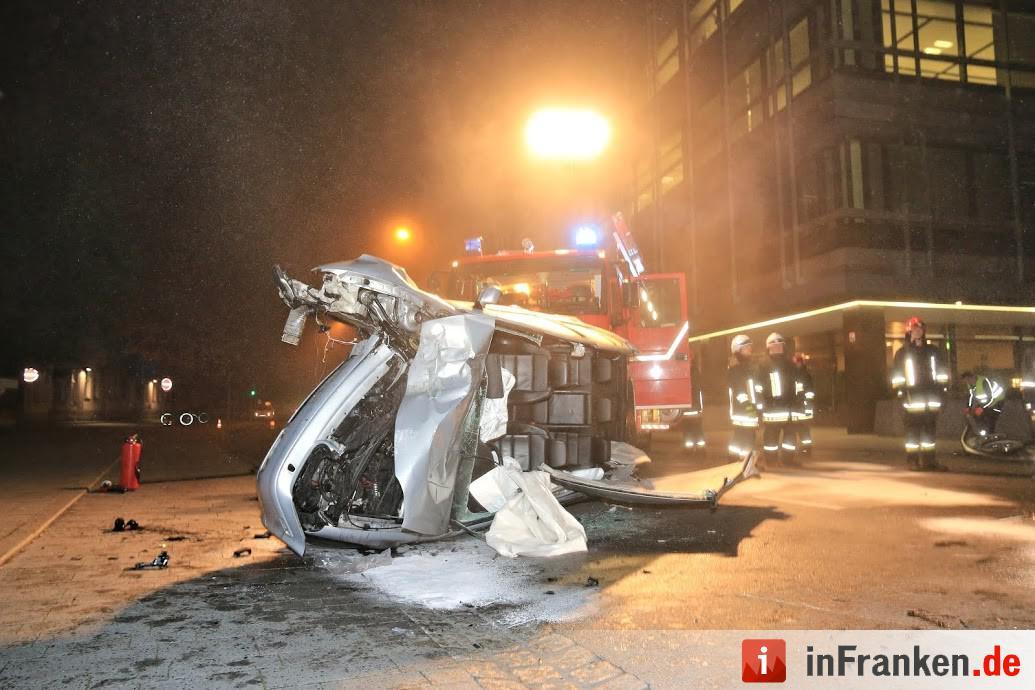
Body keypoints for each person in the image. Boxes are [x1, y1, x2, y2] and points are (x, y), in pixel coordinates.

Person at [890, 316, 950, 471]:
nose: (918, 332)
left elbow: (942, 373)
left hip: (931, 399)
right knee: (913, 433)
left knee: (929, 433)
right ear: (909, 332)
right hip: (912, 399)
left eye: (920, 329)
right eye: (915, 329)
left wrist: (942, 391)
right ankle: (913, 461)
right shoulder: (902, 354)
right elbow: (897, 376)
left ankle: (929, 461)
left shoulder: (933, 351)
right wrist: (901, 393)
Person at [757, 332, 800, 467]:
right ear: (768, 348)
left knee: (790, 437)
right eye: (774, 346)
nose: (778, 348)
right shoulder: (762, 365)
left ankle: (788, 459)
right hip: (772, 409)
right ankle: (771, 460)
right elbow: (758, 387)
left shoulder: (789, 364)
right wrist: (760, 405)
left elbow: (796, 383)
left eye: (780, 346)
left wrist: (798, 402)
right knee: (771, 437)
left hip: (788, 408)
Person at [727, 334, 759, 461]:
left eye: (750, 347)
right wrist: (750, 408)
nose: (750, 349)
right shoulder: (736, 370)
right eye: (746, 347)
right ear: (738, 350)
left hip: (748, 410)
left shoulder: (748, 367)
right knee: (747, 437)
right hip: (743, 411)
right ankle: (746, 462)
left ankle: (734, 459)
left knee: (741, 436)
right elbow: (740, 392)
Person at [960, 371, 1006, 438]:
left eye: (968, 380)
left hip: (998, 401)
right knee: (976, 415)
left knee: (990, 417)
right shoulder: (970, 385)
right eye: (966, 381)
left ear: (972, 377)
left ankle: (991, 435)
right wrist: (968, 407)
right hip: (985, 403)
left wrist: (982, 408)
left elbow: (990, 398)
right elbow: (971, 396)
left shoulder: (984, 382)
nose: (968, 382)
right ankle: (982, 433)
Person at [791, 353, 815, 456]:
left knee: (804, 430)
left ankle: (806, 449)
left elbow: (809, 392)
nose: (795, 365)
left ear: (800, 362)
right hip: (798, 407)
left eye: (797, 362)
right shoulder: (796, 374)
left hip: (804, 408)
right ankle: (805, 449)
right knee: (798, 429)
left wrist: (806, 404)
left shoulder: (804, 375)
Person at [683, 359, 706, 453]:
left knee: (689, 430)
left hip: (689, 408)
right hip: (695, 408)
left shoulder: (686, 372)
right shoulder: (695, 372)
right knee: (697, 430)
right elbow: (699, 389)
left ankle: (689, 449)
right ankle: (700, 449)